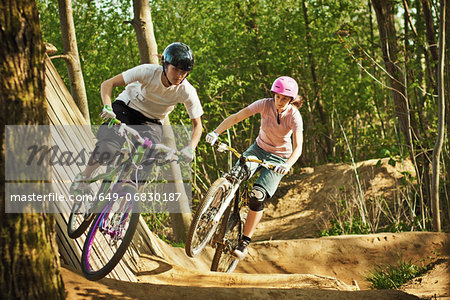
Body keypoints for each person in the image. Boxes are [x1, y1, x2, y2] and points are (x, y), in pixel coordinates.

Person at [70, 42, 203, 195]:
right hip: (126, 109)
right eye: (175, 69)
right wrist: (107, 107)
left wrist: (191, 148)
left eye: (184, 72)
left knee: (146, 163)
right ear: (165, 65)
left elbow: (197, 125)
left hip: (151, 122)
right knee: (109, 147)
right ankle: (84, 178)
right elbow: (108, 84)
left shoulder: (187, 91)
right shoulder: (147, 71)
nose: (179, 75)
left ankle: (126, 210)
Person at [205, 76, 303, 260]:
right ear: (273, 94)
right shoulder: (264, 105)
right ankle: (212, 212)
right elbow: (237, 117)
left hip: (279, 158)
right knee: (234, 175)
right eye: (277, 97)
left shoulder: (294, 116)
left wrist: (287, 165)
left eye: (284, 98)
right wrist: (215, 132)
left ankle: (244, 242)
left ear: (291, 100)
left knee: (257, 195)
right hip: (258, 150)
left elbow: (298, 148)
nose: (279, 101)